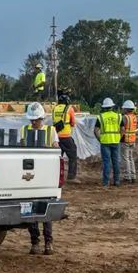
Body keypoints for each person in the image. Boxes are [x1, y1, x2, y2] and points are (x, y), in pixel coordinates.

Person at [19, 103, 58, 254]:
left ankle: (48, 242)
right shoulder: (24, 130)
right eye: (32, 120)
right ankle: (34, 242)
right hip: (29, 176)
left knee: (46, 210)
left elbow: (56, 149)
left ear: (42, 118)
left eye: (36, 120)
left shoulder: (51, 130)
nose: (34, 122)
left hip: (46, 176)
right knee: (30, 210)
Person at [96, 98, 123, 187]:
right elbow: (122, 129)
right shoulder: (118, 116)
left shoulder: (100, 117)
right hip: (116, 141)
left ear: (104, 107)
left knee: (107, 162)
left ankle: (106, 182)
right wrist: (119, 137)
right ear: (112, 106)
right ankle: (117, 181)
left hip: (105, 142)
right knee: (116, 162)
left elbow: (96, 130)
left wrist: (100, 139)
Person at [52, 96, 79, 182]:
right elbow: (73, 123)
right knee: (73, 156)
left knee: (57, 158)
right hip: (66, 137)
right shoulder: (69, 109)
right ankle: (71, 177)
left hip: (56, 137)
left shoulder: (54, 109)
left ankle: (54, 176)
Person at [122, 101, 138, 183]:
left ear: (126, 109)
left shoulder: (125, 117)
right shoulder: (134, 117)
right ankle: (133, 176)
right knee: (130, 158)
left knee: (126, 159)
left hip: (126, 139)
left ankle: (127, 176)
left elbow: (122, 128)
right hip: (133, 140)